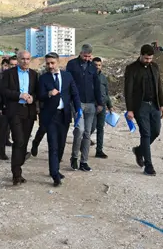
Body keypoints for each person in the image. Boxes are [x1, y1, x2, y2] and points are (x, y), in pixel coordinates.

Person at [38, 52, 81, 186]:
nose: (50, 66)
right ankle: (54, 174)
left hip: (64, 115)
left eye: (52, 63)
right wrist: (49, 94)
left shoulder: (67, 76)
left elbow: (74, 94)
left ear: (58, 63)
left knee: (61, 144)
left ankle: (56, 168)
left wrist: (78, 109)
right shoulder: (43, 78)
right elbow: (40, 95)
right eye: (48, 63)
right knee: (53, 145)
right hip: (51, 116)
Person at [124, 44, 163, 176]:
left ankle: (139, 150)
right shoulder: (132, 69)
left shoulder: (155, 67)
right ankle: (148, 166)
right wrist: (130, 110)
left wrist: (162, 105)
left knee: (156, 131)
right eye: (146, 58)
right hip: (140, 106)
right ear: (141, 55)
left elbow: (159, 86)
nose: (148, 61)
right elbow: (128, 90)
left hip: (154, 105)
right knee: (146, 134)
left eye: (150, 58)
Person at [0, 50, 38, 185]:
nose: (25, 62)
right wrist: (18, 95)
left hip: (28, 111)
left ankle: (18, 167)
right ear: (18, 59)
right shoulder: (9, 74)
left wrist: (33, 97)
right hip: (14, 110)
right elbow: (3, 91)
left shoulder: (34, 74)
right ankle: (16, 174)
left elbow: (36, 92)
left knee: (24, 141)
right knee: (19, 140)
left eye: (28, 59)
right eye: (22, 59)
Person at [66, 44, 103, 172]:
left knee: (87, 133)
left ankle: (84, 161)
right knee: (79, 130)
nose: (87, 58)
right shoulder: (72, 65)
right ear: (80, 53)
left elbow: (97, 85)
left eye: (89, 56)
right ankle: (74, 157)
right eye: (85, 56)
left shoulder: (92, 66)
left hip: (91, 104)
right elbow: (68, 83)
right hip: (77, 103)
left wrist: (100, 103)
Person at [90, 56, 114, 159]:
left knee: (100, 128)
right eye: (95, 65)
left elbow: (106, 93)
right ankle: (83, 141)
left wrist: (110, 105)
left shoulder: (103, 77)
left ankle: (99, 150)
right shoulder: (88, 77)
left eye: (99, 65)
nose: (97, 67)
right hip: (93, 107)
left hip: (103, 107)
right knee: (91, 127)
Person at [0, 57, 15, 159]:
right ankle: (1, 152)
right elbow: (0, 92)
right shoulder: (1, 76)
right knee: (3, 130)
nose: (12, 67)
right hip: (4, 106)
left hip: (15, 107)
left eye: (14, 65)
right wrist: (0, 106)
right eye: (10, 65)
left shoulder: (18, 76)